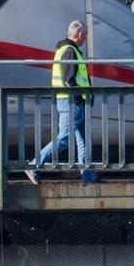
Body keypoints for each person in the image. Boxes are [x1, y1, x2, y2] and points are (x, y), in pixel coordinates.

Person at [25, 19, 96, 184]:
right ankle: (34, 164)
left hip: (72, 101)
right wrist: (79, 96)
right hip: (72, 102)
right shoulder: (70, 51)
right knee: (64, 137)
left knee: (83, 138)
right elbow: (68, 79)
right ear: (80, 34)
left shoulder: (67, 49)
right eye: (84, 35)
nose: (85, 39)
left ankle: (88, 174)